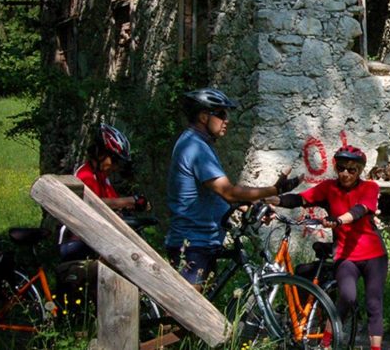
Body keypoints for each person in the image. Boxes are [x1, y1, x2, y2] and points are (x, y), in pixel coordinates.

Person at [165, 87, 299, 288]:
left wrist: (250, 205)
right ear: (203, 117)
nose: (226, 119)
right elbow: (227, 191)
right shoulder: (195, 147)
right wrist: (274, 190)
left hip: (203, 242)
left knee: (199, 311)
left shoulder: (200, 144)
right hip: (192, 243)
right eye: (220, 113)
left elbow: (213, 195)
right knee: (184, 315)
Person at [276, 145, 387, 350]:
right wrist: (272, 199)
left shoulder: (370, 187)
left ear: (360, 171)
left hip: (374, 255)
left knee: (374, 304)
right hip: (346, 255)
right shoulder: (328, 187)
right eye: (341, 168)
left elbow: (360, 210)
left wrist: (338, 221)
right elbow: (300, 199)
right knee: (347, 296)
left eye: (351, 170)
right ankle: (326, 344)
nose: (345, 173)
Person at [59, 123, 148, 260]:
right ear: (100, 153)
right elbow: (94, 203)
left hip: (94, 237)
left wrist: (135, 204)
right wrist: (130, 200)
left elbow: (115, 203)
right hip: (76, 239)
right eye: (114, 160)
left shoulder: (102, 178)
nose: (116, 166)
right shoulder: (85, 175)